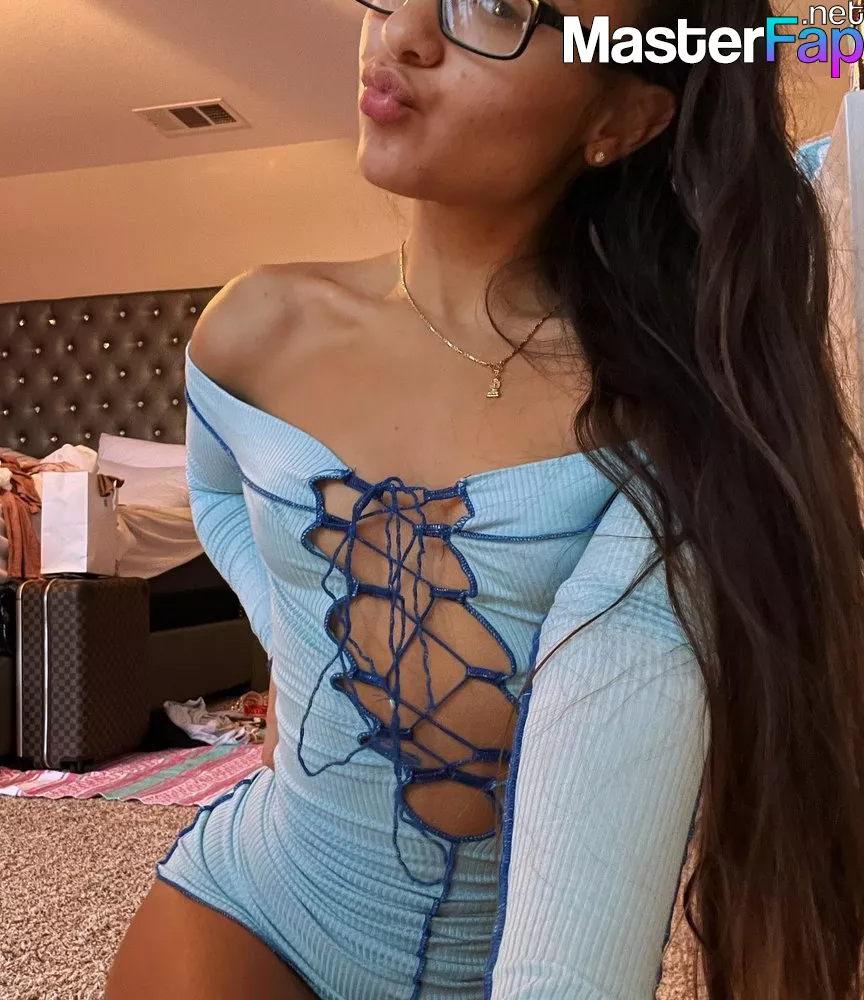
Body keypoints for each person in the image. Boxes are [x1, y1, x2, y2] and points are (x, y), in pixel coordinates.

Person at [104, 0, 864, 998]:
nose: (402, 31)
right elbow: (210, 494)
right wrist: (290, 640)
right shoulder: (256, 326)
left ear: (621, 118)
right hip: (253, 913)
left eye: (495, 7)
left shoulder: (676, 401)